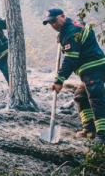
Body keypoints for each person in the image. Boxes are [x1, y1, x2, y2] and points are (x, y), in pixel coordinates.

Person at [44, 8, 105, 144]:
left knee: (96, 99)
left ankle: (102, 136)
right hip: (94, 66)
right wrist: (62, 37)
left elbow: (70, 59)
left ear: (63, 16)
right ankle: (90, 129)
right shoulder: (74, 24)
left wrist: (59, 80)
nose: (53, 25)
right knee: (80, 96)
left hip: (92, 67)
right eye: (50, 23)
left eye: (55, 21)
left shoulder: (71, 33)